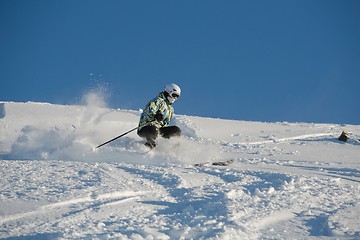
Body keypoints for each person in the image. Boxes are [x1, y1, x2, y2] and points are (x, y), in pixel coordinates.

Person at [137, 83, 182, 148]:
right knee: (153, 130)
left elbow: (166, 123)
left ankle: (173, 148)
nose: (175, 98)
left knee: (176, 130)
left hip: (159, 130)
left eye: (177, 97)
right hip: (146, 127)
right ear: (168, 92)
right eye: (174, 95)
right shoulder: (157, 101)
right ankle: (148, 147)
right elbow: (148, 111)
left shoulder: (171, 109)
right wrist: (155, 115)